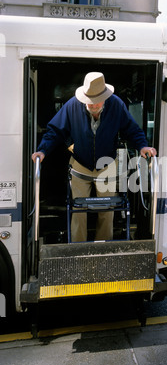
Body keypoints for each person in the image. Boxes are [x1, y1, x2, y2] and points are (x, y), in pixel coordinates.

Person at [32, 72, 156, 242]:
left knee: (107, 210)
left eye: (97, 100)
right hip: (80, 165)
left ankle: (104, 247)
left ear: (105, 97)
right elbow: (54, 130)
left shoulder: (117, 105)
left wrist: (142, 146)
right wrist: (42, 151)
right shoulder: (72, 106)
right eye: (89, 101)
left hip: (106, 164)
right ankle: (78, 248)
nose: (93, 104)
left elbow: (132, 129)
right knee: (78, 210)